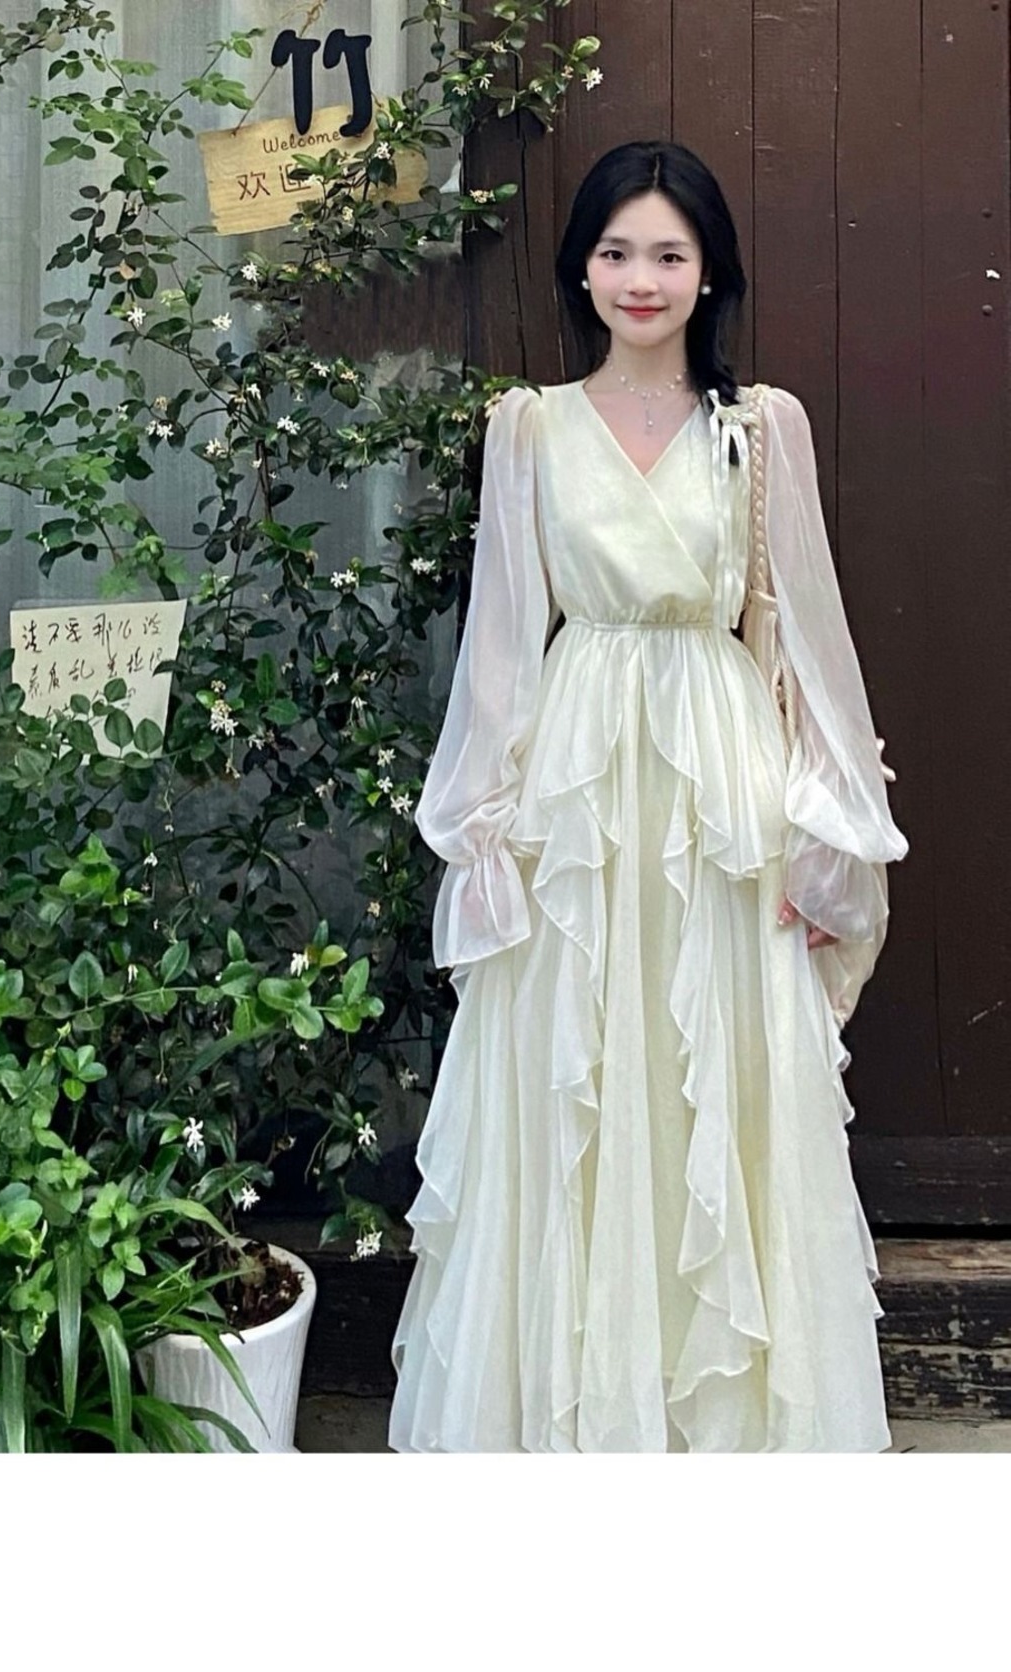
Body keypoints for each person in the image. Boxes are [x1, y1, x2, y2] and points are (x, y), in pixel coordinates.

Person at [387, 140, 909, 1453]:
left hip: (720, 785)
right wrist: (481, 829)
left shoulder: (759, 428)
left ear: (709, 270)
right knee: (577, 1077)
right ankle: (574, 1429)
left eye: (669, 253)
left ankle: (724, 1434)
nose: (641, 278)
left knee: (718, 1073)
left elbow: (804, 642)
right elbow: (502, 645)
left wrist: (829, 828)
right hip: (576, 789)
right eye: (616, 250)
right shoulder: (527, 428)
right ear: (581, 266)